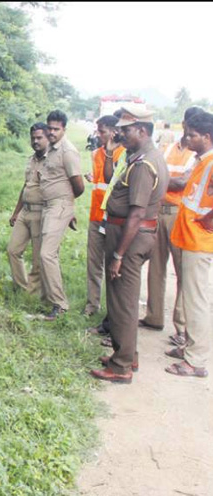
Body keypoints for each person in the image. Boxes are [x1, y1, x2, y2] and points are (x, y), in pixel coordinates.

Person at [91, 105, 169, 383]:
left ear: (143, 130)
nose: (121, 134)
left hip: (130, 236)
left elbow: (136, 214)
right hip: (130, 233)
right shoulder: (143, 157)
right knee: (122, 299)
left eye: (126, 130)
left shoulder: (144, 164)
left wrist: (118, 254)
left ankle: (121, 366)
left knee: (122, 301)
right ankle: (126, 353)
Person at [139, 107, 202, 345]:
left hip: (179, 215)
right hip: (159, 211)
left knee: (182, 271)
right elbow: (162, 177)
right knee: (156, 266)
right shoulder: (167, 148)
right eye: (187, 124)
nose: (187, 131)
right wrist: (165, 181)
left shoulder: (199, 155)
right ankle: (153, 316)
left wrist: (161, 181)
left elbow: (180, 182)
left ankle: (182, 327)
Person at [164, 110, 213, 378]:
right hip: (189, 237)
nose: (187, 138)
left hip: (199, 241)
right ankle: (190, 349)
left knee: (197, 301)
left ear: (206, 136)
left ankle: (196, 360)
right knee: (191, 298)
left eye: (192, 135)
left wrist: (209, 221)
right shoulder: (202, 160)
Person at [39, 110, 84, 320]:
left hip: (59, 206)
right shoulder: (51, 148)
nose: (52, 132)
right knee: (48, 253)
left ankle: (60, 304)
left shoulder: (68, 151)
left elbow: (79, 186)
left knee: (46, 254)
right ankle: (50, 298)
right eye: (49, 128)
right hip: (48, 206)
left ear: (64, 129)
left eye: (56, 129)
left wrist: (67, 205)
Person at [83, 115, 125, 316]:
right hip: (95, 214)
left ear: (114, 132)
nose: (98, 135)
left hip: (113, 218)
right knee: (93, 263)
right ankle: (92, 305)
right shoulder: (96, 153)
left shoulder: (123, 154)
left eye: (102, 131)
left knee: (112, 265)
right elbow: (101, 182)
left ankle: (112, 312)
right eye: (98, 131)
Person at [7, 123, 50, 297]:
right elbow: (25, 186)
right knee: (13, 250)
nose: (35, 141)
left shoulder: (53, 160)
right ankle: (23, 287)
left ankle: (33, 296)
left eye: (39, 137)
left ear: (48, 138)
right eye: (33, 138)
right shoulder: (31, 159)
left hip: (41, 213)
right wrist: (16, 212)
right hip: (25, 211)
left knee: (38, 259)